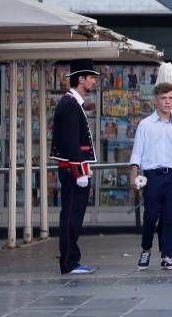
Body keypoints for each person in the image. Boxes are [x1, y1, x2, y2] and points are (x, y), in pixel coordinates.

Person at [129, 82, 172, 270]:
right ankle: (146, 250)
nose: (167, 102)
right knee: (150, 216)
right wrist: (133, 175)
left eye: (171, 98)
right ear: (156, 101)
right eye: (164, 98)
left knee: (170, 218)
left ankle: (166, 256)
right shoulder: (145, 125)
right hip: (152, 177)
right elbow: (137, 152)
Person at [49, 58, 100, 274]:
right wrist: (80, 171)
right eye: (91, 78)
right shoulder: (70, 104)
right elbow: (71, 142)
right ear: (81, 79)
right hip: (72, 170)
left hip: (73, 168)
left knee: (73, 215)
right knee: (71, 215)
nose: (94, 82)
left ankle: (71, 260)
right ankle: (70, 262)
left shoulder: (71, 102)